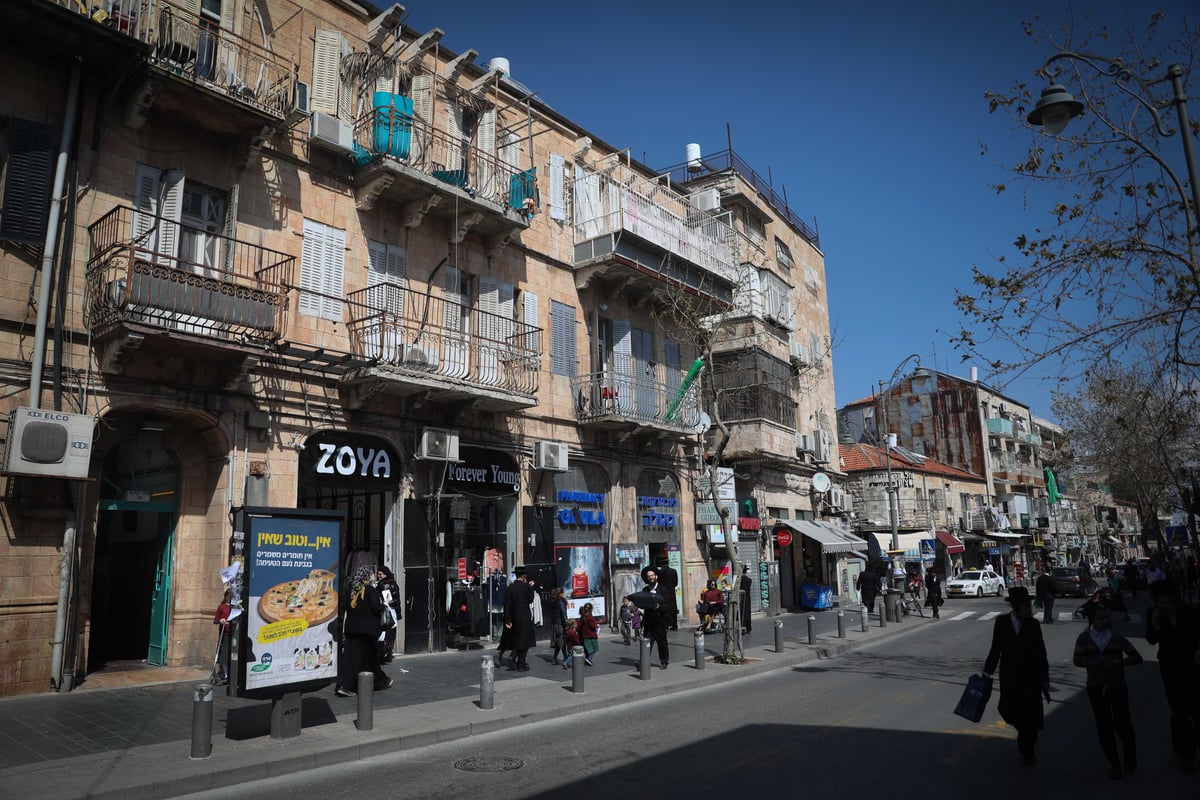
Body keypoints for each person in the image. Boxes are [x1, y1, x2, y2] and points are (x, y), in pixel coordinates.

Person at [1073, 603, 1142, 779]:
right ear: (1092, 621)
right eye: (1100, 618)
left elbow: (1136, 657)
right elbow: (1078, 660)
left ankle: (1130, 759)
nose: (1105, 621)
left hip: (1117, 685)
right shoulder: (1084, 639)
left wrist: (1120, 663)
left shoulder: (1117, 638)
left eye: (1107, 618)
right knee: (1104, 726)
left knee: (1123, 724)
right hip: (1095, 687)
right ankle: (1114, 763)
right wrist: (1096, 663)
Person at [983, 586, 1051, 765]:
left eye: (1030, 606)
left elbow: (1041, 653)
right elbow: (995, 649)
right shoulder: (1002, 622)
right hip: (1009, 676)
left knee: (1030, 714)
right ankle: (1024, 733)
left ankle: (1028, 748)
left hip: (1031, 677)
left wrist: (1044, 679)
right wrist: (987, 672)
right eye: (1026, 606)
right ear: (1016, 607)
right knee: (1008, 708)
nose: (1030, 610)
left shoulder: (1033, 624)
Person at [1144, 580, 1200, 773]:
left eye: (1171, 602)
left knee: (1196, 707)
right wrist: (1155, 624)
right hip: (1170, 667)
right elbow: (1151, 640)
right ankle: (1185, 752)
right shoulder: (1154, 615)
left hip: (1193, 665)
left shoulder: (1190, 612)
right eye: (1163, 602)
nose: (1168, 606)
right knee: (1178, 710)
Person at [337, 565, 391, 696]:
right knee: (368, 658)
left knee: (352, 659)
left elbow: (343, 606)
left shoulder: (351, 590)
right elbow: (375, 608)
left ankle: (348, 684)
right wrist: (384, 605)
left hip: (351, 630)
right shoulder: (369, 590)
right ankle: (374, 682)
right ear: (366, 577)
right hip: (367, 631)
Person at [502, 566, 536, 671]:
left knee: (518, 639)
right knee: (526, 640)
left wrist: (507, 620)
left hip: (514, 617)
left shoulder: (510, 588)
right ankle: (520, 662)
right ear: (524, 576)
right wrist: (531, 587)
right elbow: (530, 599)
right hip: (525, 615)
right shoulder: (526, 587)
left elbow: (506, 606)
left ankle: (515, 659)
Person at [640, 566, 670, 669]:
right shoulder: (645, 590)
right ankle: (644, 663)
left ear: (656, 576)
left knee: (662, 642)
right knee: (646, 643)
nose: (651, 578)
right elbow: (643, 605)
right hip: (649, 622)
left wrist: (659, 607)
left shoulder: (663, 589)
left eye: (652, 575)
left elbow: (668, 605)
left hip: (660, 621)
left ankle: (664, 661)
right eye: (649, 576)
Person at [375, 566, 401, 664]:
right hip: (393, 612)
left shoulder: (385, 585)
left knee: (384, 634)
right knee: (391, 634)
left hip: (387, 613)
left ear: (385, 574)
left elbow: (387, 600)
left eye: (380, 574)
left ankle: (383, 654)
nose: (378, 576)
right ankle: (388, 653)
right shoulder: (392, 582)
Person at [654, 555, 679, 631]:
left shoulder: (659, 572)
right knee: (673, 609)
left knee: (664, 608)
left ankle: (665, 625)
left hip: (663, 592)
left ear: (661, 564)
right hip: (671, 592)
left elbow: (658, 583)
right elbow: (676, 583)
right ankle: (674, 625)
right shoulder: (673, 571)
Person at [548, 587, 568, 663]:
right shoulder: (561, 602)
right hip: (560, 623)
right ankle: (566, 657)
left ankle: (554, 658)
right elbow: (563, 614)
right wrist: (566, 624)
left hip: (554, 623)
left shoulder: (553, 601)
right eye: (563, 593)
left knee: (558, 642)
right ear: (561, 594)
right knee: (561, 641)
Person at [578, 602, 599, 666]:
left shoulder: (583, 617)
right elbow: (593, 626)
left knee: (587, 649)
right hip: (591, 635)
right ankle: (588, 659)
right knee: (595, 649)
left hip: (585, 635)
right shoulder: (590, 617)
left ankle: (588, 660)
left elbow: (579, 626)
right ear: (591, 609)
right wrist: (597, 626)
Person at [740, 565, 753, 633]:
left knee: (742, 612)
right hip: (748, 598)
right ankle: (749, 628)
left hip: (741, 597)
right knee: (748, 612)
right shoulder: (749, 580)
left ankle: (742, 627)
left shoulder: (739, 581)